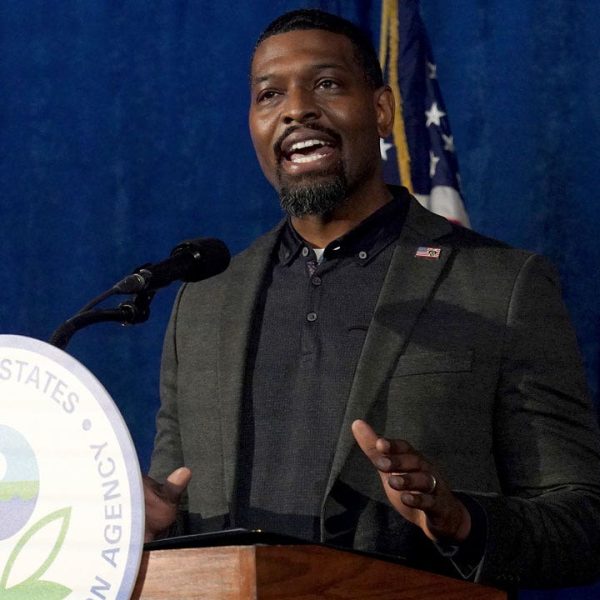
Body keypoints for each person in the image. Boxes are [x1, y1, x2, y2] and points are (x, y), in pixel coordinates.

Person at [143, 8, 600, 589]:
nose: (296, 109)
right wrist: (148, 525)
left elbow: (582, 522)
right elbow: (173, 500)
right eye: (269, 94)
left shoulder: (500, 286)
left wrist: (461, 521)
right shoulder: (205, 301)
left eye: (326, 84)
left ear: (381, 110)